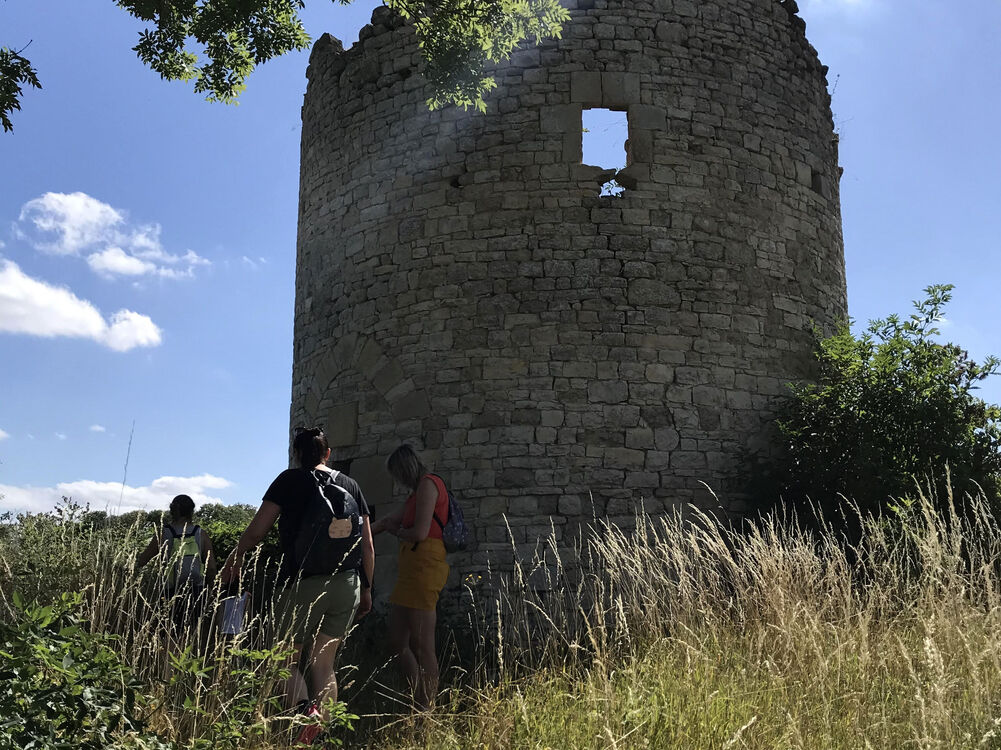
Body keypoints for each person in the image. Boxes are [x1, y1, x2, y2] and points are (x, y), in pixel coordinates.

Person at [220, 426, 375, 745]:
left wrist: (234, 558)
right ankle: (321, 736)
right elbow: (368, 545)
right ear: (328, 454)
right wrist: (368, 589)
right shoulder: (351, 485)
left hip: (302, 583)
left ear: (296, 454)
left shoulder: (289, 480)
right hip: (347, 583)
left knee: (285, 660)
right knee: (324, 663)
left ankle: (306, 713)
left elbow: (256, 532)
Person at [371, 444, 450, 709]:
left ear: (405, 469)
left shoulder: (429, 485)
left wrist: (396, 531)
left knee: (421, 643)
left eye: (397, 475)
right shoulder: (416, 494)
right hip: (411, 569)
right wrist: (355, 534)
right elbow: (384, 523)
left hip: (425, 566)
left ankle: (427, 708)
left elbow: (419, 532)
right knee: (397, 642)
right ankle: (419, 698)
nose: (398, 481)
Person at [135, 493, 217, 637]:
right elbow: (211, 567)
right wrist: (212, 590)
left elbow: (144, 559)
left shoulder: (164, 533)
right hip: (196, 590)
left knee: (167, 631)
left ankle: (167, 657)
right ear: (192, 511)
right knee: (190, 634)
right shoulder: (201, 534)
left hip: (169, 591)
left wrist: (130, 570)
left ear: (173, 510)